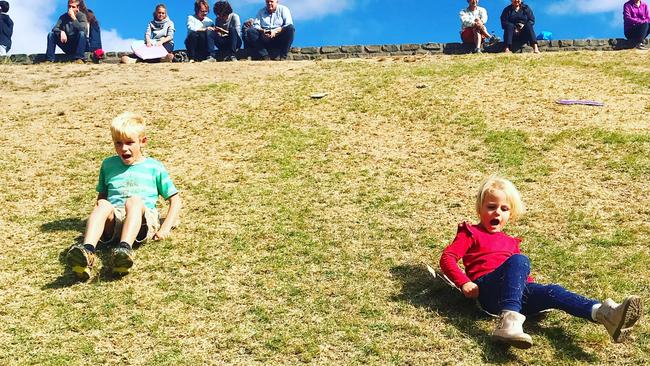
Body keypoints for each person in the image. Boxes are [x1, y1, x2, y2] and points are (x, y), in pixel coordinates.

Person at [439, 175, 642, 349]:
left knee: (552, 290)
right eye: (491, 207)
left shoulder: (511, 242)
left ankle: (604, 314)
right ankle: (508, 322)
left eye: (504, 208)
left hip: (515, 296)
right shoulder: (470, 232)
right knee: (519, 260)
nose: (497, 213)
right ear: (480, 209)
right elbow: (447, 258)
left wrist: (535, 290)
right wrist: (464, 281)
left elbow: (519, 276)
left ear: (510, 214)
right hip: (488, 291)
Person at [66, 112, 182, 280]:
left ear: (143, 142)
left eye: (129, 143)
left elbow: (175, 200)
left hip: (142, 219)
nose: (124, 148)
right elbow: (102, 196)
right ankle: (88, 251)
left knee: (134, 201)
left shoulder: (154, 167)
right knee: (103, 204)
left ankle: (124, 250)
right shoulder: (108, 165)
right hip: (115, 221)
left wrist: (165, 228)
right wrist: (100, 217)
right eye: (118, 143)